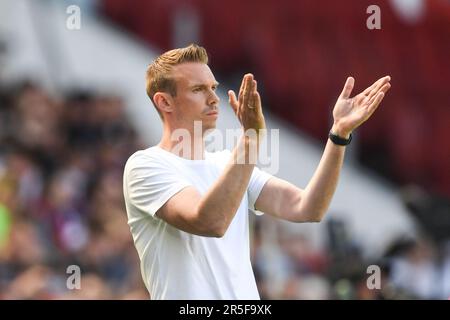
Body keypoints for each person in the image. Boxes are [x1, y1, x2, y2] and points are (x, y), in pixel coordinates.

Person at [122, 44, 391, 299]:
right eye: (198, 89)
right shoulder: (145, 165)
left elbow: (307, 208)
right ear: (164, 102)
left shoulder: (228, 163)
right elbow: (210, 221)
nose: (214, 98)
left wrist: (339, 134)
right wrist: (249, 139)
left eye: (213, 87)